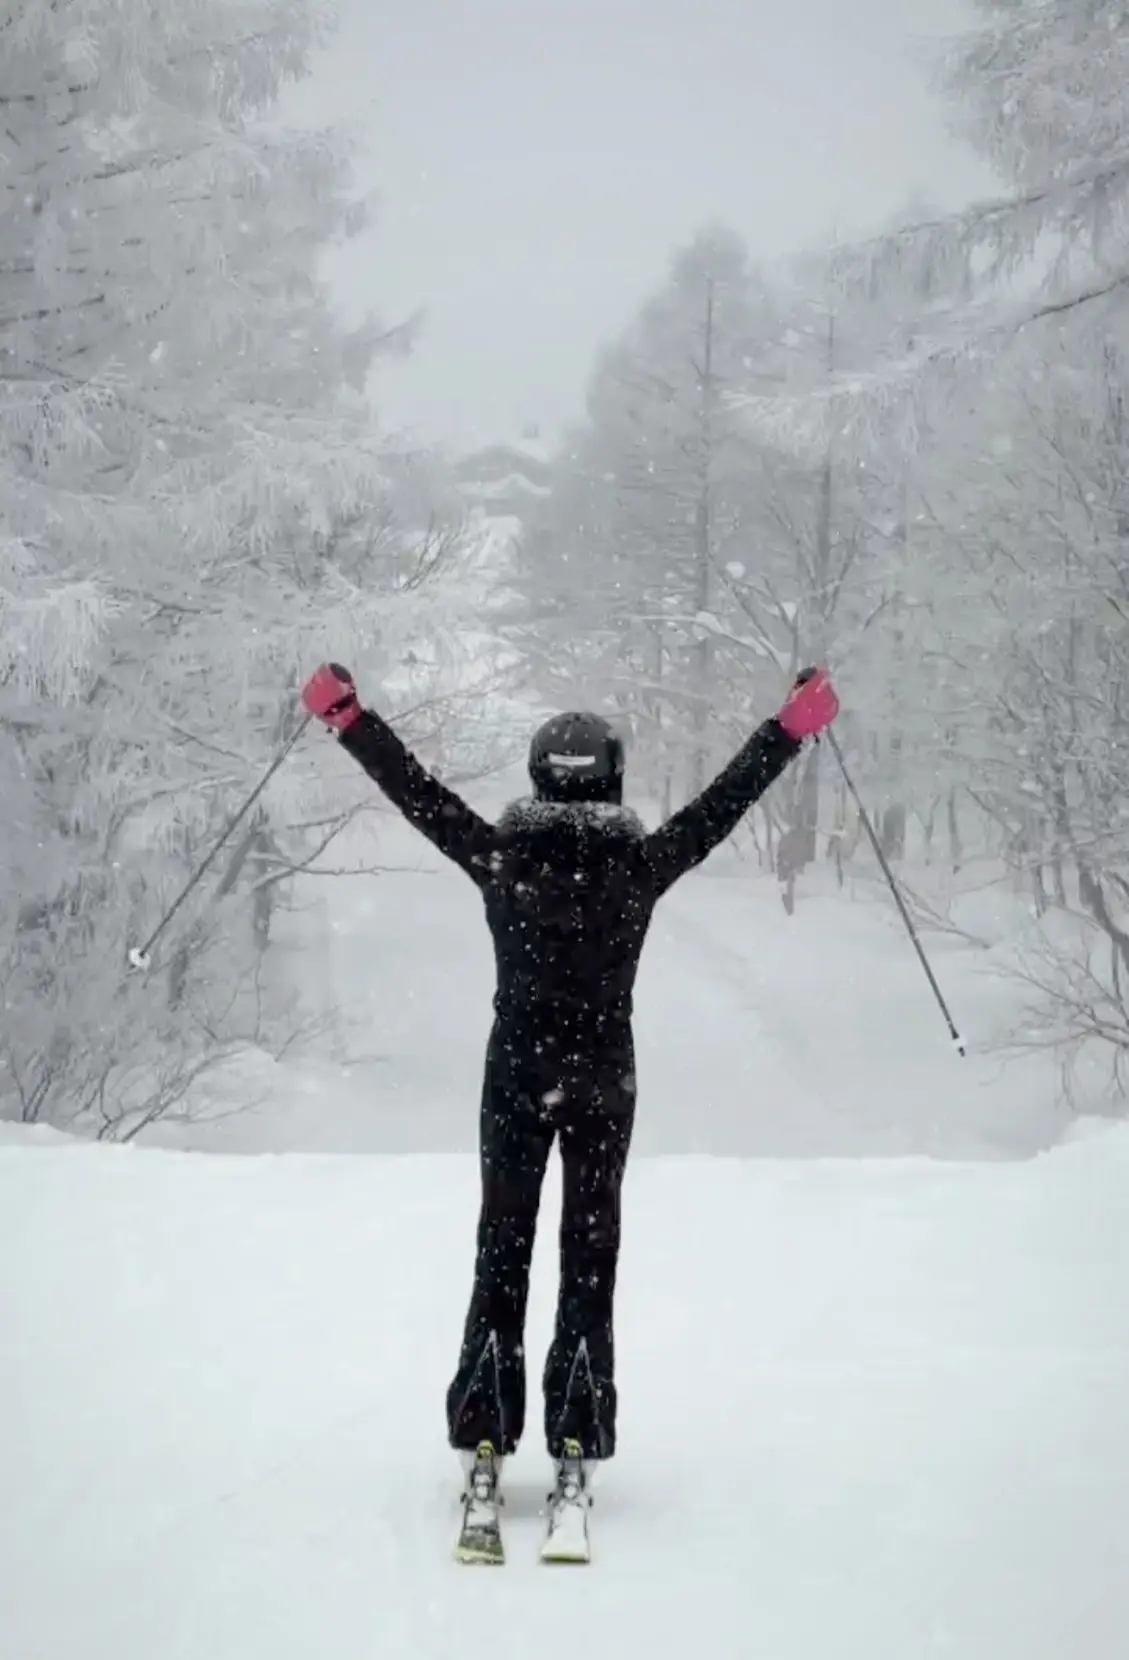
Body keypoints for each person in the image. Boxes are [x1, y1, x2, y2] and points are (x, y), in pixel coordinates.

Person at [300, 662, 840, 1505]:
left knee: (501, 1250)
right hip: (601, 1080)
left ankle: (485, 1423)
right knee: (590, 1254)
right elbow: (722, 805)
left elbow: (418, 796)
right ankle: (577, 1426)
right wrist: (788, 730)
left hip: (514, 1073)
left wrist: (348, 718)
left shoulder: (500, 855)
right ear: (612, 777)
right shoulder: (641, 864)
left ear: (536, 775)